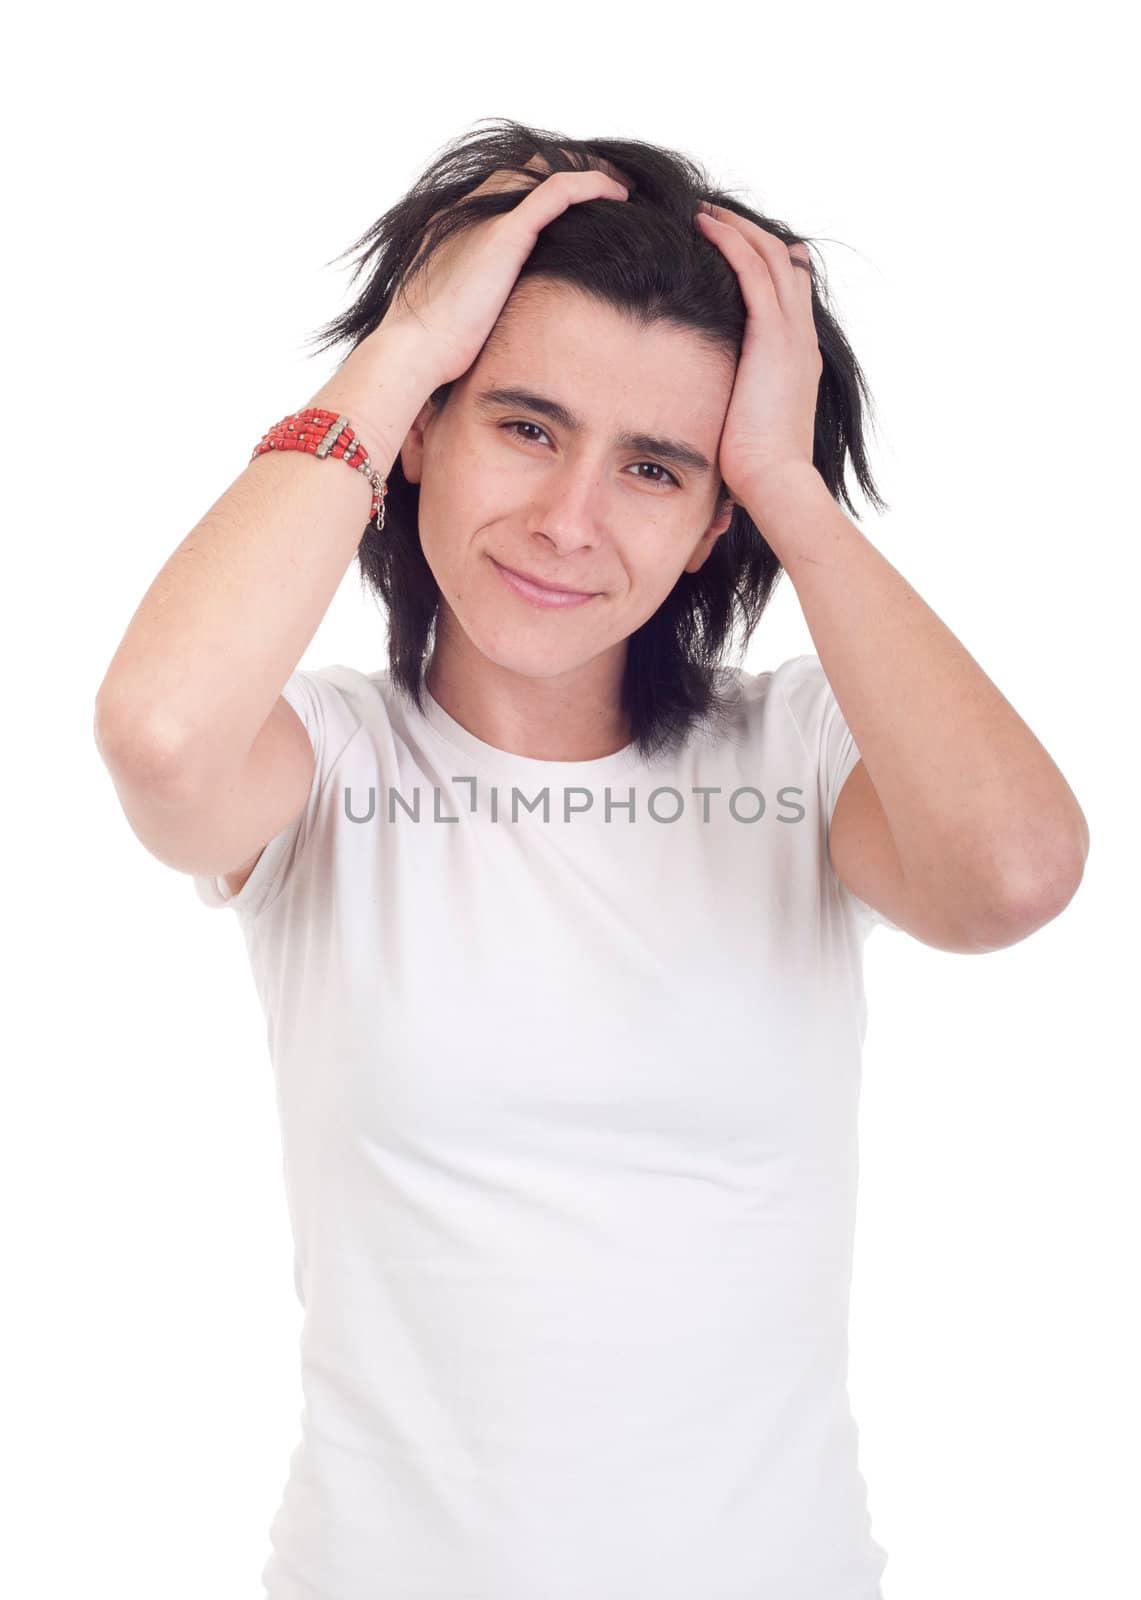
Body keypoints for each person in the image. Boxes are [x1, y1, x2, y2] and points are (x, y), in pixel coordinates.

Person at [93, 118, 1088, 1599]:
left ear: (709, 525)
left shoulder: (800, 760)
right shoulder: (318, 769)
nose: (567, 523)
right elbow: (162, 736)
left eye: (655, 468)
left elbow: (1011, 875)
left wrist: (793, 493)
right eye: (525, 425)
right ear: (426, 426)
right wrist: (403, 345)